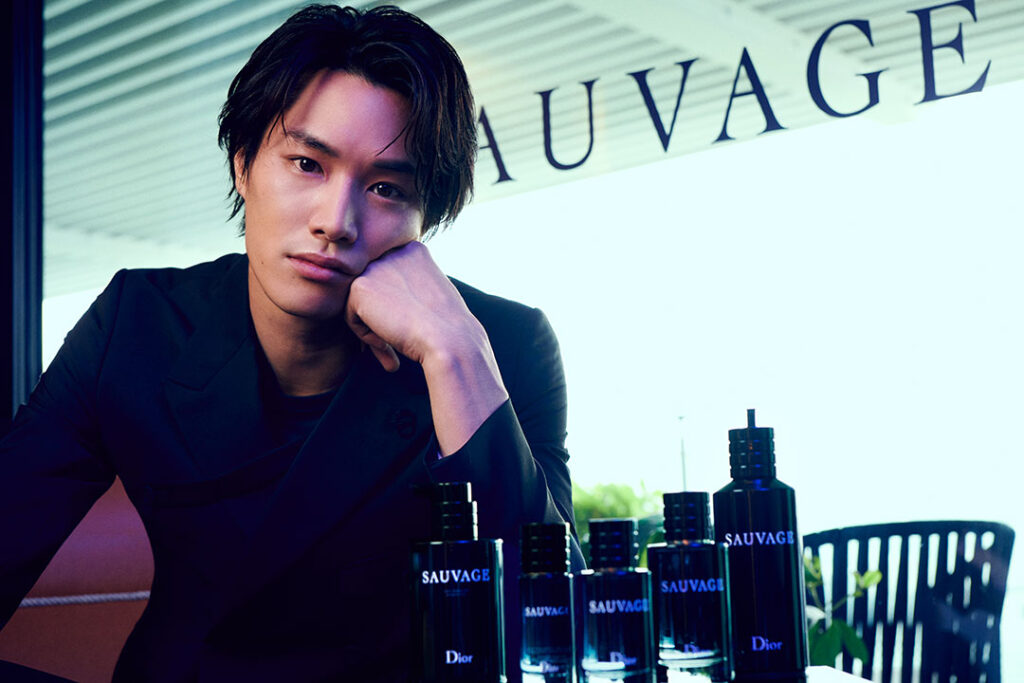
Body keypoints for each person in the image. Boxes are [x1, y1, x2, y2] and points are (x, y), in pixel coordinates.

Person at [0, 5, 583, 681]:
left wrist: (455, 357)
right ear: (243, 166)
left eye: (387, 188)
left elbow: (558, 631)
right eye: (307, 163)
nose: (336, 221)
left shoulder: (501, 345)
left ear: (424, 219)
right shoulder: (136, 325)